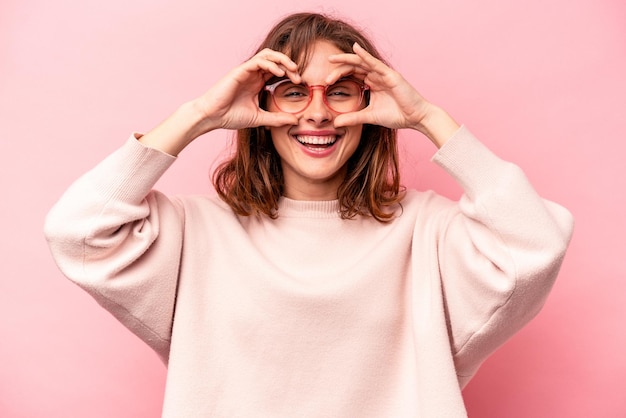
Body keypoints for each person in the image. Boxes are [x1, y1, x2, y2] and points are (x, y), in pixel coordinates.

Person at [44, 12, 574, 417]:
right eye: (294, 93)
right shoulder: (194, 232)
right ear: (261, 107)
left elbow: (536, 244)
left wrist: (428, 117)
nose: (318, 113)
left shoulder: (428, 231)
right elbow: (76, 232)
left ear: (372, 108)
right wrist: (199, 115)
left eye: (340, 93)